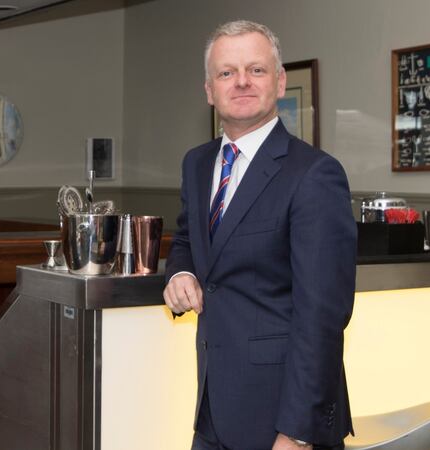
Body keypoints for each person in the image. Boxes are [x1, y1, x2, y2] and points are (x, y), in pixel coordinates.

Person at [163, 20, 357, 450]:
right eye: (226, 73)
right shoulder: (197, 164)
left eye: (256, 69)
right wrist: (180, 275)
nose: (242, 82)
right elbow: (186, 242)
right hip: (213, 411)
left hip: (282, 422)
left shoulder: (314, 174)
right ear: (209, 90)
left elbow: (321, 319)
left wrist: (296, 433)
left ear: (280, 81)